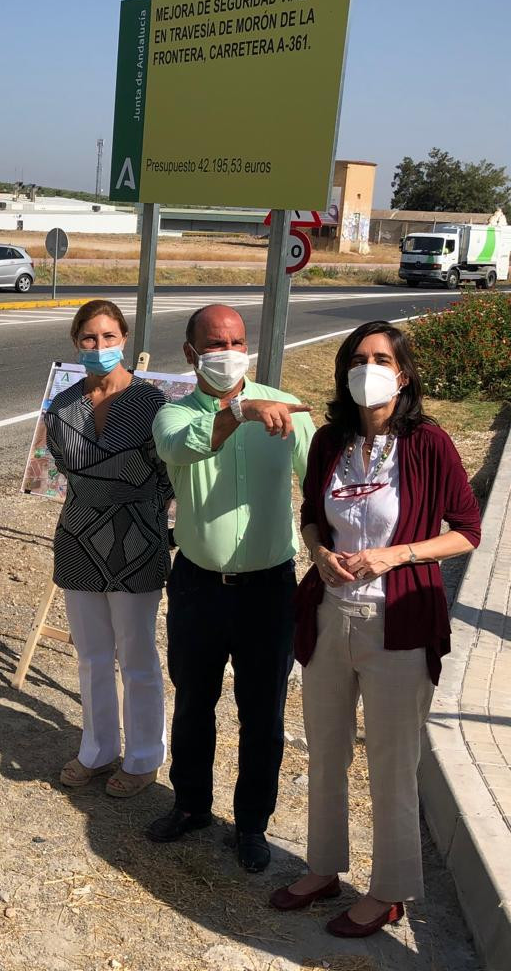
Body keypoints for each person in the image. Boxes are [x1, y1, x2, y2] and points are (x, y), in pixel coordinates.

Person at [270, 321, 480, 937]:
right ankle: (324, 866)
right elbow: (312, 515)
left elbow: (467, 529)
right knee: (324, 750)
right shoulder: (331, 441)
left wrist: (395, 555)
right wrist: (318, 553)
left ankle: (390, 890)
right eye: (358, 358)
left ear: (404, 372)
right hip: (331, 616)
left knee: (392, 760)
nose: (369, 368)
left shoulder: (429, 443)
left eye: (382, 358)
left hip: (399, 621)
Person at [148, 304, 314, 872]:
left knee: (262, 712)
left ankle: (251, 826)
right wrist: (240, 411)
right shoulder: (173, 415)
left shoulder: (285, 409)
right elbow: (183, 447)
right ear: (191, 353)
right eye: (216, 344)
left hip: (269, 589)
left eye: (238, 341)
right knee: (195, 700)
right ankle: (192, 805)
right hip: (199, 585)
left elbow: (319, 479)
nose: (229, 352)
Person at [44, 300, 170, 798]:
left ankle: (142, 757)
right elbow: (64, 471)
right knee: (92, 655)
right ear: (77, 342)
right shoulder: (63, 406)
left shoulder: (152, 402)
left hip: (138, 540)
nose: (100, 347)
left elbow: (169, 475)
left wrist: (145, 511)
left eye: (109, 337)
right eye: (90, 339)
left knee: (137, 653)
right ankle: (96, 749)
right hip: (78, 538)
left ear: (125, 340)